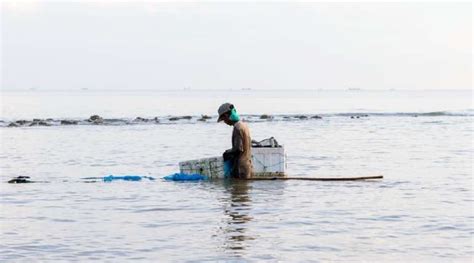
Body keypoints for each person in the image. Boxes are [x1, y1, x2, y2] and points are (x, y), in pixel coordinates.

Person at [217, 103, 253, 179]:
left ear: (226, 116)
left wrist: (227, 153)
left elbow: (238, 149)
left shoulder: (237, 127)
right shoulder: (244, 125)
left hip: (240, 168)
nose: (225, 122)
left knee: (238, 190)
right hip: (247, 165)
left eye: (224, 120)